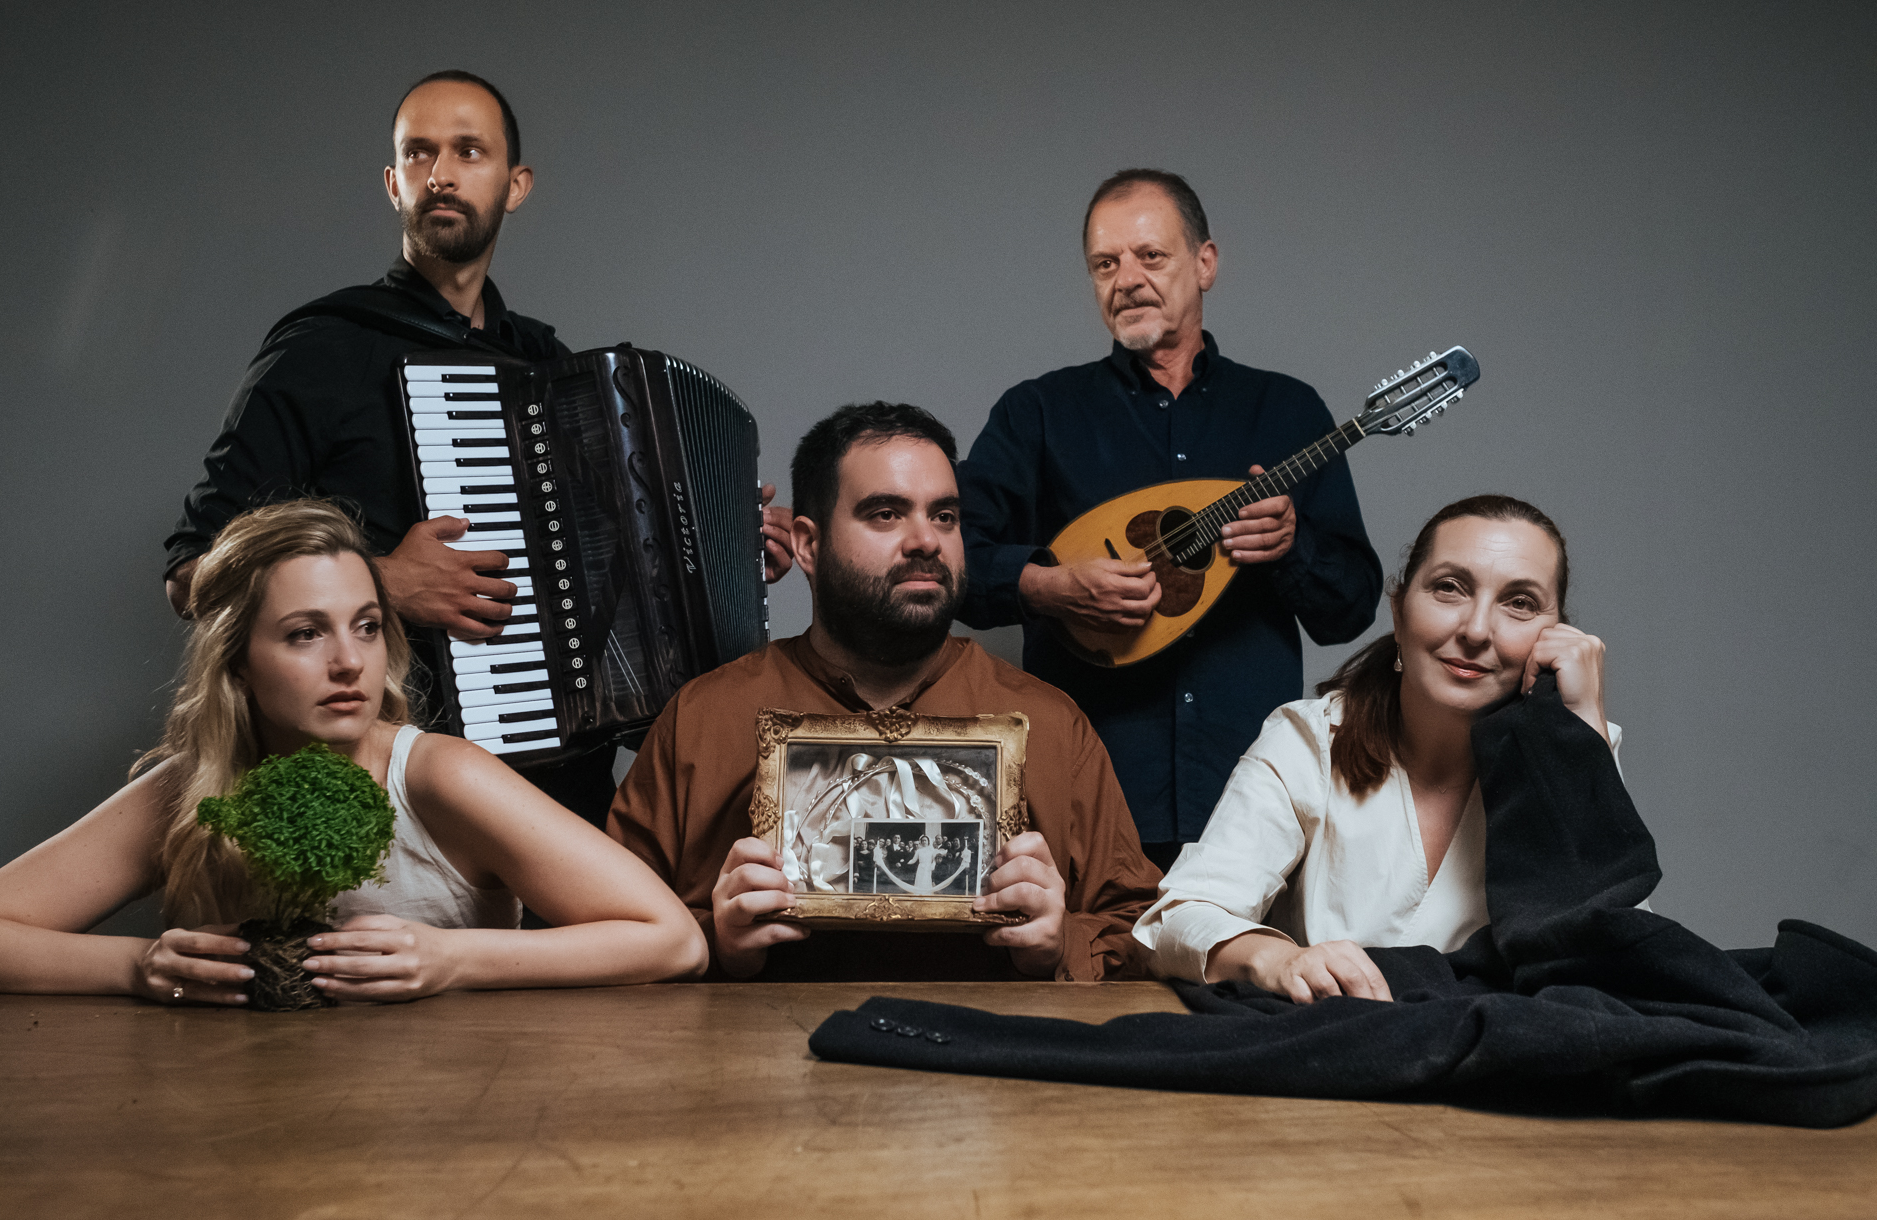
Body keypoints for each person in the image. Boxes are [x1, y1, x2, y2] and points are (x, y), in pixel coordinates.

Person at [162, 70, 793, 826]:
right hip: (378, 782)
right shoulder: (321, 351)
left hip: (559, 783)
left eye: (469, 152)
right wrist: (382, 584)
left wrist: (721, 550)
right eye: (420, 155)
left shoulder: (552, 368)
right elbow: (191, 575)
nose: (442, 174)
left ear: (515, 184)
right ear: (394, 183)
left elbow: (612, 580)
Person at [0, 500, 707, 1004]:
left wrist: (454, 959)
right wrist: (139, 967)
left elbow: (669, 938)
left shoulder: (438, 774)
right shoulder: (192, 791)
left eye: (366, 626)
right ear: (236, 662)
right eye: (305, 633)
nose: (348, 661)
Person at [608, 402, 1163, 982]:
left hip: (984, 1063)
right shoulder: (704, 717)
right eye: (885, 514)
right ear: (807, 545)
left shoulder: (1048, 723)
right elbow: (601, 928)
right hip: (749, 1065)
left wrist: (1059, 943)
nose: (926, 540)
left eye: (945, 516)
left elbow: (1145, 929)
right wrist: (715, 942)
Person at [958, 168, 1384, 870]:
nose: (1126, 278)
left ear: (1205, 263)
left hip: (1253, 799)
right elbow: (951, 560)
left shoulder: (1286, 412)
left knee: (1247, 980)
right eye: (1105, 263)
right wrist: (1048, 587)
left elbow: (1349, 610)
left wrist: (1291, 548)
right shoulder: (1038, 413)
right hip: (1087, 793)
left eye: (1150, 256)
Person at [1134, 495, 1619, 1003]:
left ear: (1557, 634)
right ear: (1399, 608)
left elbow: (1616, 951)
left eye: (1519, 603)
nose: (1476, 631)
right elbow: (1176, 921)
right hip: (1329, 1062)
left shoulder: (1575, 749)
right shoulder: (1309, 740)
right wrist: (1279, 960)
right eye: (1449, 588)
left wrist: (1583, 731)